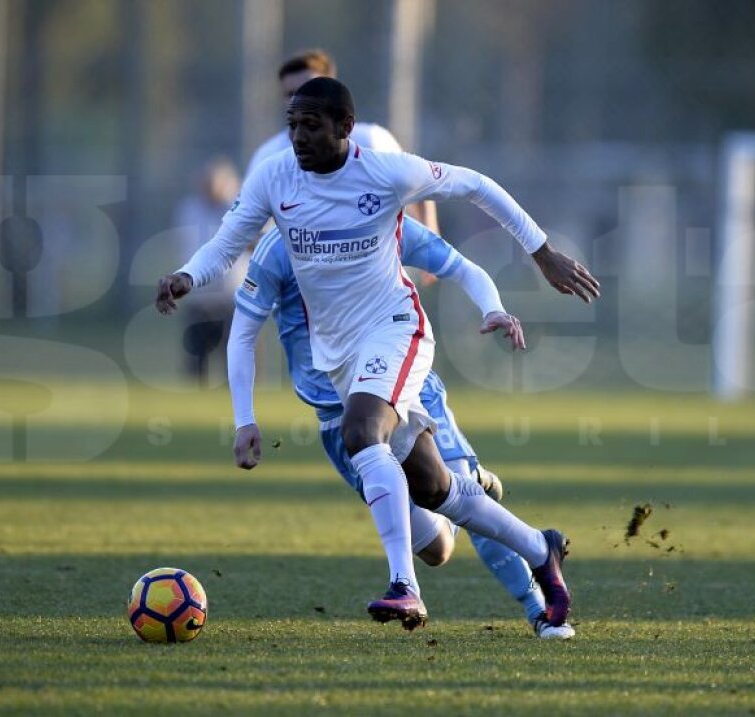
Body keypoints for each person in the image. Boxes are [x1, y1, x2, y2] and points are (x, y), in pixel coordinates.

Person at [157, 77, 599, 631]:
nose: (297, 136)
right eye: (292, 124)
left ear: (344, 128)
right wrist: (187, 276)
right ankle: (542, 547)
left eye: (311, 125)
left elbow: (477, 185)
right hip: (341, 357)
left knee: (362, 432)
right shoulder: (275, 179)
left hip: (397, 329)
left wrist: (542, 252)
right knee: (437, 492)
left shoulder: (386, 173)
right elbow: (226, 245)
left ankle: (404, 587)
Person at [229, 219, 575, 639]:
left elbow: (458, 241)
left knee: (456, 487)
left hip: (404, 380)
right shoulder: (279, 247)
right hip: (335, 415)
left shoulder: (373, 206)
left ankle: (539, 611)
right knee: (437, 547)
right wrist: (244, 417)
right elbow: (242, 328)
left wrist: (494, 306)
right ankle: (480, 500)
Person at [245, 49, 438, 235]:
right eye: (290, 94)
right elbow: (248, 228)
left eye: (310, 89)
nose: (299, 99)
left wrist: (431, 249)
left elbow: (422, 182)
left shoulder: (371, 139)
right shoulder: (268, 157)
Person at [171, 157, 243, 382]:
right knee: (196, 357)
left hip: (233, 298)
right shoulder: (189, 210)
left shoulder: (241, 210)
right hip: (200, 299)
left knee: (238, 360)